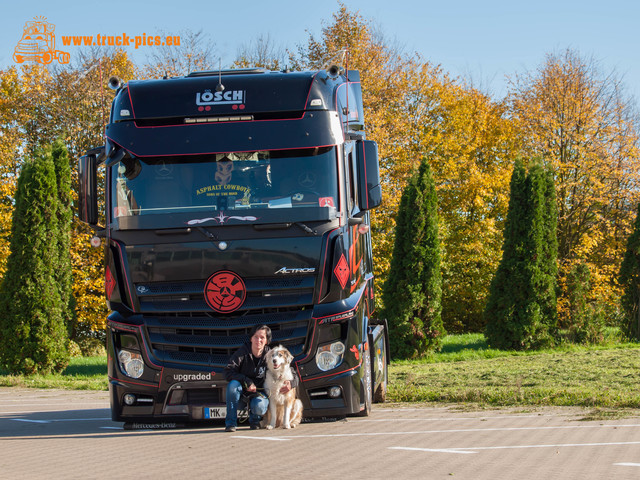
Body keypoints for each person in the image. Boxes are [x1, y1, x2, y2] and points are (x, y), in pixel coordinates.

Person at [223, 324, 298, 431]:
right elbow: (227, 371)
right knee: (232, 386)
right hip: (242, 393)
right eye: (256, 337)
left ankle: (255, 421)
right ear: (251, 338)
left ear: (267, 340)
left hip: (259, 393)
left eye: (262, 337)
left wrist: (292, 384)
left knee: (260, 406)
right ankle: (231, 423)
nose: (259, 340)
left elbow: (292, 372)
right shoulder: (242, 352)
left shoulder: (270, 354)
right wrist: (246, 381)